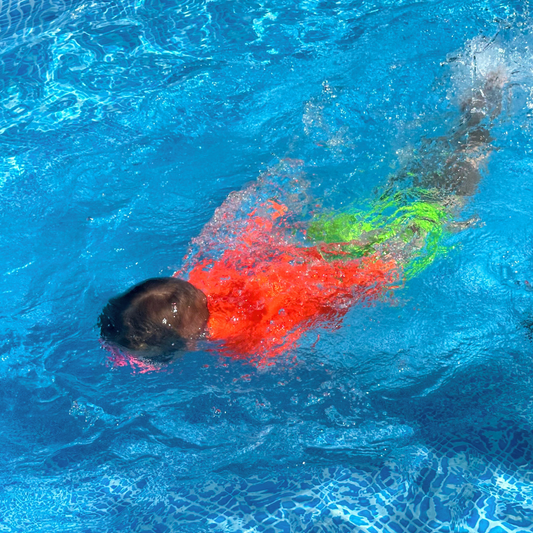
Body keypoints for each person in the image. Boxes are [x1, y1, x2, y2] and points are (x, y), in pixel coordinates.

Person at [99, 69, 506, 366]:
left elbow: (307, 333)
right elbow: (253, 234)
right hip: (334, 235)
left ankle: (486, 110)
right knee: (402, 191)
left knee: (446, 203)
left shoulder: (243, 343)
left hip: (371, 265)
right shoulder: (203, 277)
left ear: (189, 344)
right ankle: (472, 114)